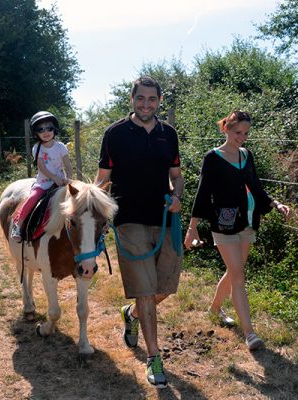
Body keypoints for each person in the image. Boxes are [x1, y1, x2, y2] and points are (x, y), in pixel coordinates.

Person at [95, 76, 183, 388]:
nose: (146, 104)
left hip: (163, 220)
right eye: (140, 98)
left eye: (152, 99)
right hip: (128, 220)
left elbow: (176, 177)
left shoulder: (168, 134)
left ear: (159, 101)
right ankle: (154, 358)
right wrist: (91, 207)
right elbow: (102, 179)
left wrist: (176, 196)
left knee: (165, 286)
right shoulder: (115, 133)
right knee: (146, 291)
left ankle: (131, 315)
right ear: (132, 98)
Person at [184, 110, 290, 350]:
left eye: (245, 133)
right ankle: (250, 334)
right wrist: (193, 227)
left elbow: (255, 186)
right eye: (237, 132)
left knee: (235, 271)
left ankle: (214, 308)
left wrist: (275, 203)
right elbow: (203, 192)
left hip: (248, 221)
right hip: (223, 224)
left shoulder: (246, 155)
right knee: (239, 276)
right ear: (226, 129)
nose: (241, 137)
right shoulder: (213, 157)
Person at [11, 111, 72, 242]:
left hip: (61, 181)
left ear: (54, 129)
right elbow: (41, 166)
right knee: (33, 198)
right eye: (40, 129)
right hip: (44, 182)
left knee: (79, 198)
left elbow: (68, 164)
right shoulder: (37, 148)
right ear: (36, 133)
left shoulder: (61, 147)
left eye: (49, 128)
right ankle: (18, 225)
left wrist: (68, 178)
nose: (45, 132)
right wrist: (53, 177)